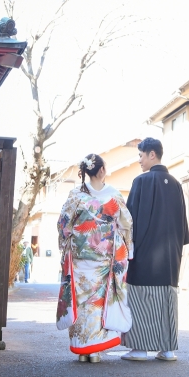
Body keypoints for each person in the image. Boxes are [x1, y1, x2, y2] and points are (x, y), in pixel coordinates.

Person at [57, 154, 133, 363]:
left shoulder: (75, 196)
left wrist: (66, 247)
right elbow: (126, 224)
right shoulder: (114, 196)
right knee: (98, 302)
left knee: (81, 300)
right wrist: (127, 248)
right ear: (101, 171)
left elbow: (64, 225)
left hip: (80, 258)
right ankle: (94, 350)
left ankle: (81, 347)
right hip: (104, 258)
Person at [121, 138, 189, 362]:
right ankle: (167, 349)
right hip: (170, 258)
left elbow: (128, 220)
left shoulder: (141, 182)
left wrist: (126, 247)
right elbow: (182, 226)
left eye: (140, 156)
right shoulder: (177, 185)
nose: (139, 161)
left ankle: (140, 349)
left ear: (152, 155)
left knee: (141, 301)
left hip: (144, 256)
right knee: (166, 302)